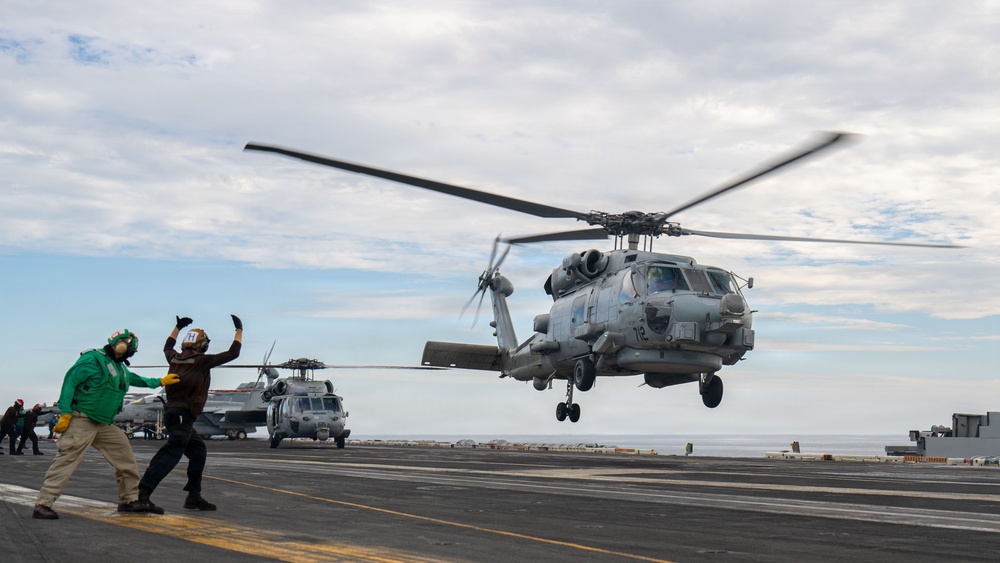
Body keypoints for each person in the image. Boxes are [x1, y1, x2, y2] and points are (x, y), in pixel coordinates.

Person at [32, 330, 180, 520]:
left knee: (126, 459)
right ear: (121, 345)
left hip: (103, 424)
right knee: (66, 460)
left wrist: (159, 381)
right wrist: (66, 413)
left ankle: (129, 500)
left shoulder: (119, 367)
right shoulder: (92, 359)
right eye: (130, 351)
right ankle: (43, 504)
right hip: (82, 419)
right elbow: (70, 382)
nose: (130, 355)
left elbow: (135, 379)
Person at [138, 315, 242, 513]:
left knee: (198, 451)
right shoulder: (202, 361)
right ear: (202, 345)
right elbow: (233, 353)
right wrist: (239, 330)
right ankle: (143, 493)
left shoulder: (174, 358)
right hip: (182, 414)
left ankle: (194, 496)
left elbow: (167, 346)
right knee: (171, 453)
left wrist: (177, 326)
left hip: (174, 414)